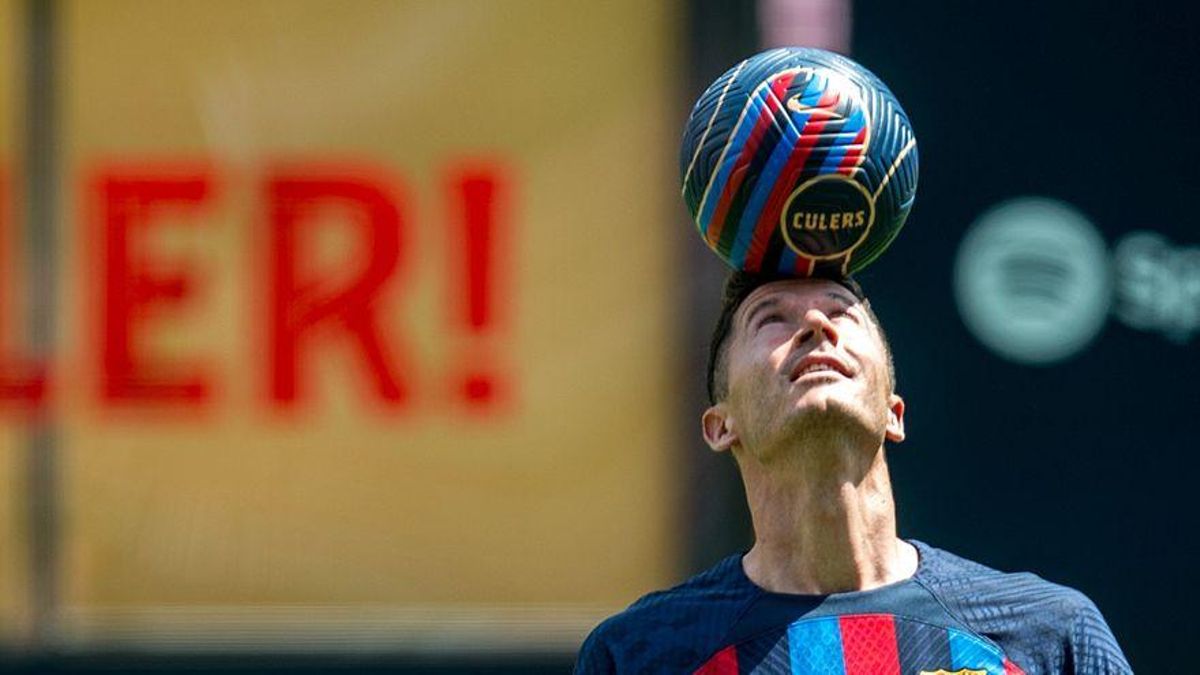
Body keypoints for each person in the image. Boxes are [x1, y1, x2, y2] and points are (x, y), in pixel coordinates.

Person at [574, 271, 1131, 674]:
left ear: (893, 412)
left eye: (841, 311)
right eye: (771, 319)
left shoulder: (1051, 636)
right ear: (722, 426)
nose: (817, 324)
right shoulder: (639, 655)